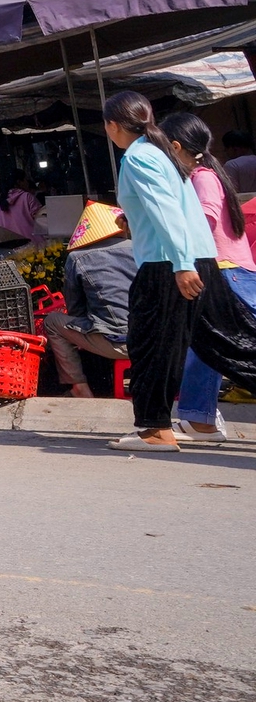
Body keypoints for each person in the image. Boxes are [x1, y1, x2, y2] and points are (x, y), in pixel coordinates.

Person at [103, 91, 208, 452]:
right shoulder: (160, 152)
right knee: (177, 345)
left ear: (113, 126)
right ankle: (158, 425)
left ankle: (154, 429)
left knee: (149, 346)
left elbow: (166, 211)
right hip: (185, 258)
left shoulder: (139, 157)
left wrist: (181, 264)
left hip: (168, 263)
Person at [162, 112, 252, 446]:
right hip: (231, 271)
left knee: (208, 346)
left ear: (176, 147)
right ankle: (200, 419)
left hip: (225, 272)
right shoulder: (208, 175)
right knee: (207, 346)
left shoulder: (202, 178)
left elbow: (206, 220)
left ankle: (200, 420)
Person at [45, 200, 136, 398]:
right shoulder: (142, 248)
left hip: (118, 342)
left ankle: (79, 386)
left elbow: (75, 309)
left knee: (52, 322)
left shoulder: (77, 257)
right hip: (156, 338)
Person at [221, 129, 256, 197]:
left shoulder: (231, 165)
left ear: (235, 148)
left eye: (226, 148)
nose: (225, 152)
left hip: (245, 204)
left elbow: (231, 192)